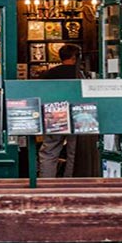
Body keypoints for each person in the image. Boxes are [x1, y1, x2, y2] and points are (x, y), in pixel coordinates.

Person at [38, 44, 82, 178]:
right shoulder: (80, 74)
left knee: (49, 151)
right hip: (78, 115)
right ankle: (70, 182)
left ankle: (46, 181)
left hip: (54, 114)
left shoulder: (49, 73)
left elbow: (40, 93)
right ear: (75, 57)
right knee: (74, 152)